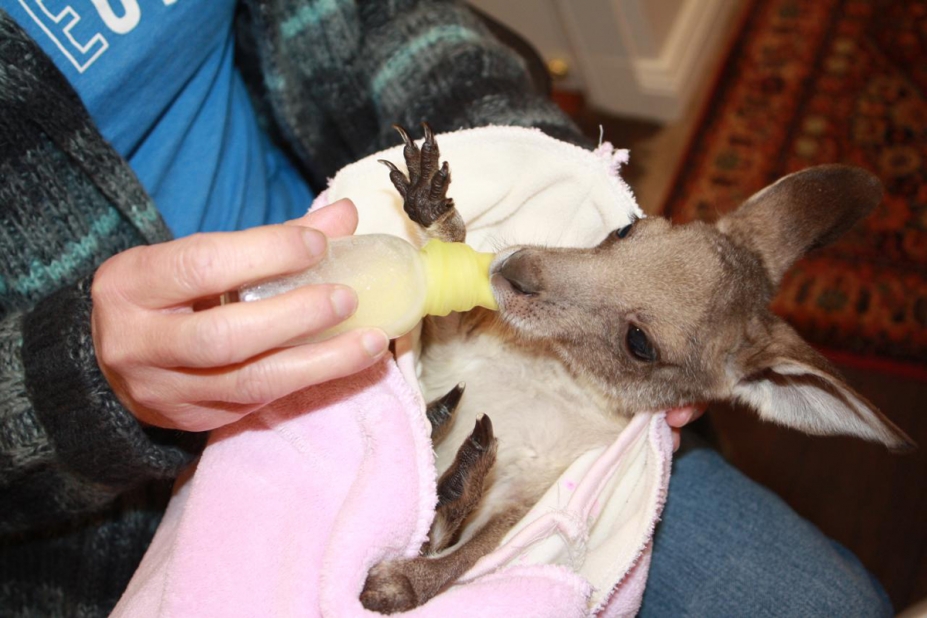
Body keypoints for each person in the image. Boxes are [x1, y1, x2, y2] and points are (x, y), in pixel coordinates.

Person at [0, 1, 892, 616]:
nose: (537, 273)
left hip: (369, 269)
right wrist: (74, 384)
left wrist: (518, 161)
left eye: (635, 331)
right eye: (627, 248)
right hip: (102, 503)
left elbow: (371, 19)